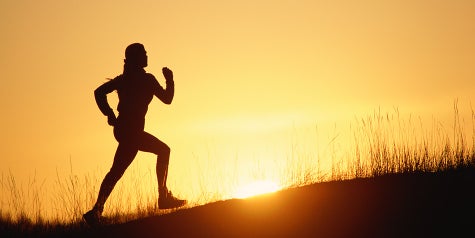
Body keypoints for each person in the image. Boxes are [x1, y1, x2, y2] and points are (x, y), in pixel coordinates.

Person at [83, 43, 186, 226]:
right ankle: (163, 197)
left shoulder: (124, 79)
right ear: (136, 58)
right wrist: (169, 80)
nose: (147, 56)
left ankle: (96, 210)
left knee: (116, 171)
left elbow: (99, 92)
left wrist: (110, 114)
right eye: (144, 53)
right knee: (164, 151)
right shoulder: (146, 80)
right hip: (131, 131)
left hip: (123, 130)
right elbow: (167, 99)